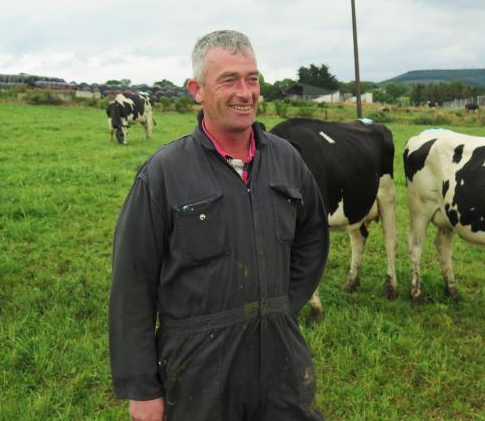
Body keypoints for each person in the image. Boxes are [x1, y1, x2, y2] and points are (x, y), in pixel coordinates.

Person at [109, 30, 329, 421]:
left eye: (252, 79)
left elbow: (313, 235)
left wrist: (282, 304)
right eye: (229, 80)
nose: (245, 93)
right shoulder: (164, 173)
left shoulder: (286, 160)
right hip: (198, 366)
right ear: (197, 90)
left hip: (280, 359)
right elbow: (132, 281)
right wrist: (141, 387)